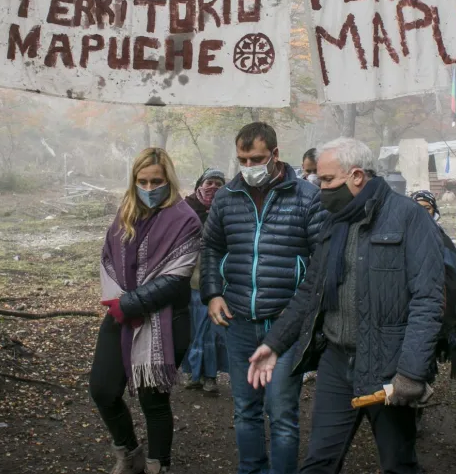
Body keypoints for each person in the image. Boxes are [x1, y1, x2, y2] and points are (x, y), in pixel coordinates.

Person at [246, 138, 450, 474]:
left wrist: (411, 373)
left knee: (399, 463)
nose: (320, 187)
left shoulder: (409, 218)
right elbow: (311, 291)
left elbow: (428, 301)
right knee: (319, 462)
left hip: (389, 364)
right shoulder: (334, 221)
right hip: (336, 362)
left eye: (327, 180)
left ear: (356, 176)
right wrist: (274, 343)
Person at [200, 122, 325, 474]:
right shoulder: (226, 196)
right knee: (245, 409)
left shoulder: (306, 196)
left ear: (275, 154)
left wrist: (298, 316)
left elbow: (320, 262)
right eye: (243, 158)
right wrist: (211, 293)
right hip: (238, 319)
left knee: (283, 413)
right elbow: (210, 246)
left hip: (286, 324)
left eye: (257, 158)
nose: (249, 165)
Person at [93, 148, 200, 474]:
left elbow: (175, 277)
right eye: (142, 181)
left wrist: (129, 304)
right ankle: (129, 454)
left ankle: (158, 466)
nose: (150, 187)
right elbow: (107, 259)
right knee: (102, 389)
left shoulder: (186, 220)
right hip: (120, 316)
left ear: (168, 180)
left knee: (153, 400)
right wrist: (117, 301)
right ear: (133, 181)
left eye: (157, 181)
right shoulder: (126, 212)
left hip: (167, 321)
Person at [182, 168, 228, 394]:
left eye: (219, 184)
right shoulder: (184, 210)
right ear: (199, 185)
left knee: (212, 331)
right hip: (190, 281)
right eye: (209, 182)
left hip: (218, 284)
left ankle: (210, 376)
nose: (213, 188)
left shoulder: (227, 210)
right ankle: (193, 373)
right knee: (193, 329)